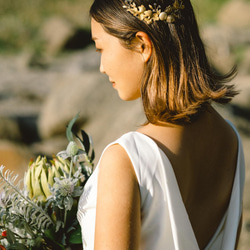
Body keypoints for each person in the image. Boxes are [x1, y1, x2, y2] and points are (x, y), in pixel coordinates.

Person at [77, 0, 245, 249]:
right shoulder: (230, 139)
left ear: (142, 45)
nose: (101, 68)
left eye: (100, 48)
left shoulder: (126, 159)